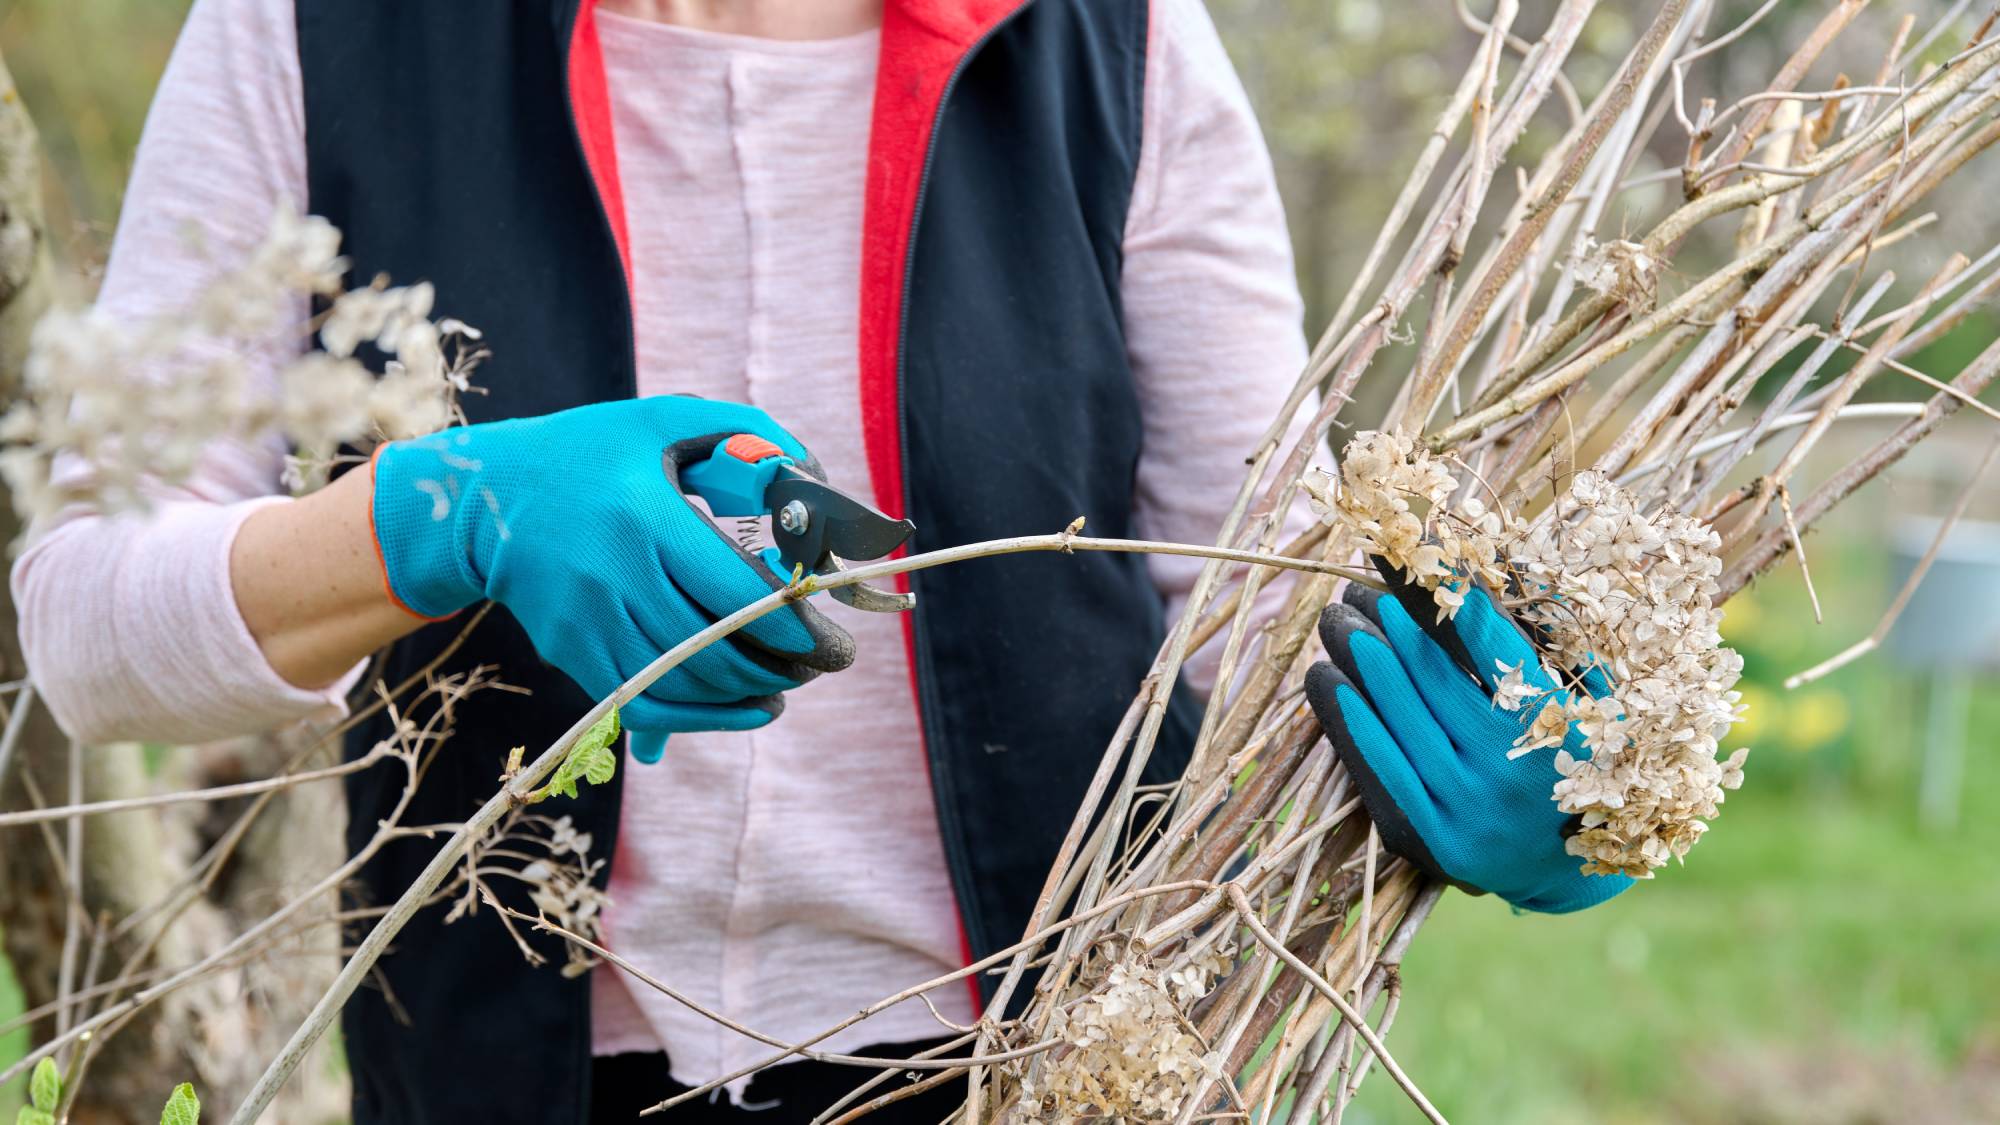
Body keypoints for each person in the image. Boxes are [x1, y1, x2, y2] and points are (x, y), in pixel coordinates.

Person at [14, 0, 1625, 1121]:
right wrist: (442, 514)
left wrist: (1570, 770)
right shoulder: (322, 27)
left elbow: (1266, 614)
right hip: (502, 1087)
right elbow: (85, 623)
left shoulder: (1106, 41)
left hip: (1041, 1081)